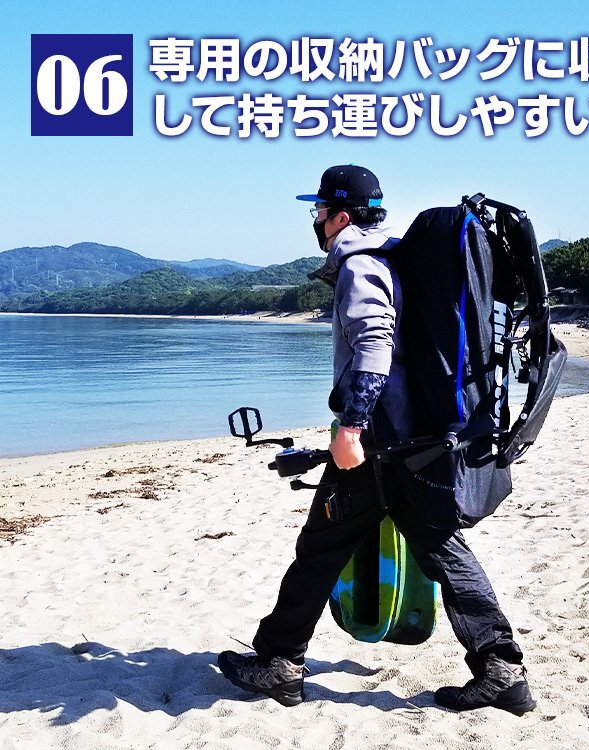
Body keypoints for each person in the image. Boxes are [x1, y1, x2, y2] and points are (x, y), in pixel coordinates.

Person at [217, 165, 536, 715]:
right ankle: (500, 669)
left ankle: (280, 663)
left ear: (341, 216)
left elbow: (374, 344)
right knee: (441, 547)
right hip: (420, 440)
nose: (316, 219)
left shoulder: (360, 264)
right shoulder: (392, 255)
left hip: (380, 445)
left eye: (319, 210)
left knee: (320, 550)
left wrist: (351, 428)